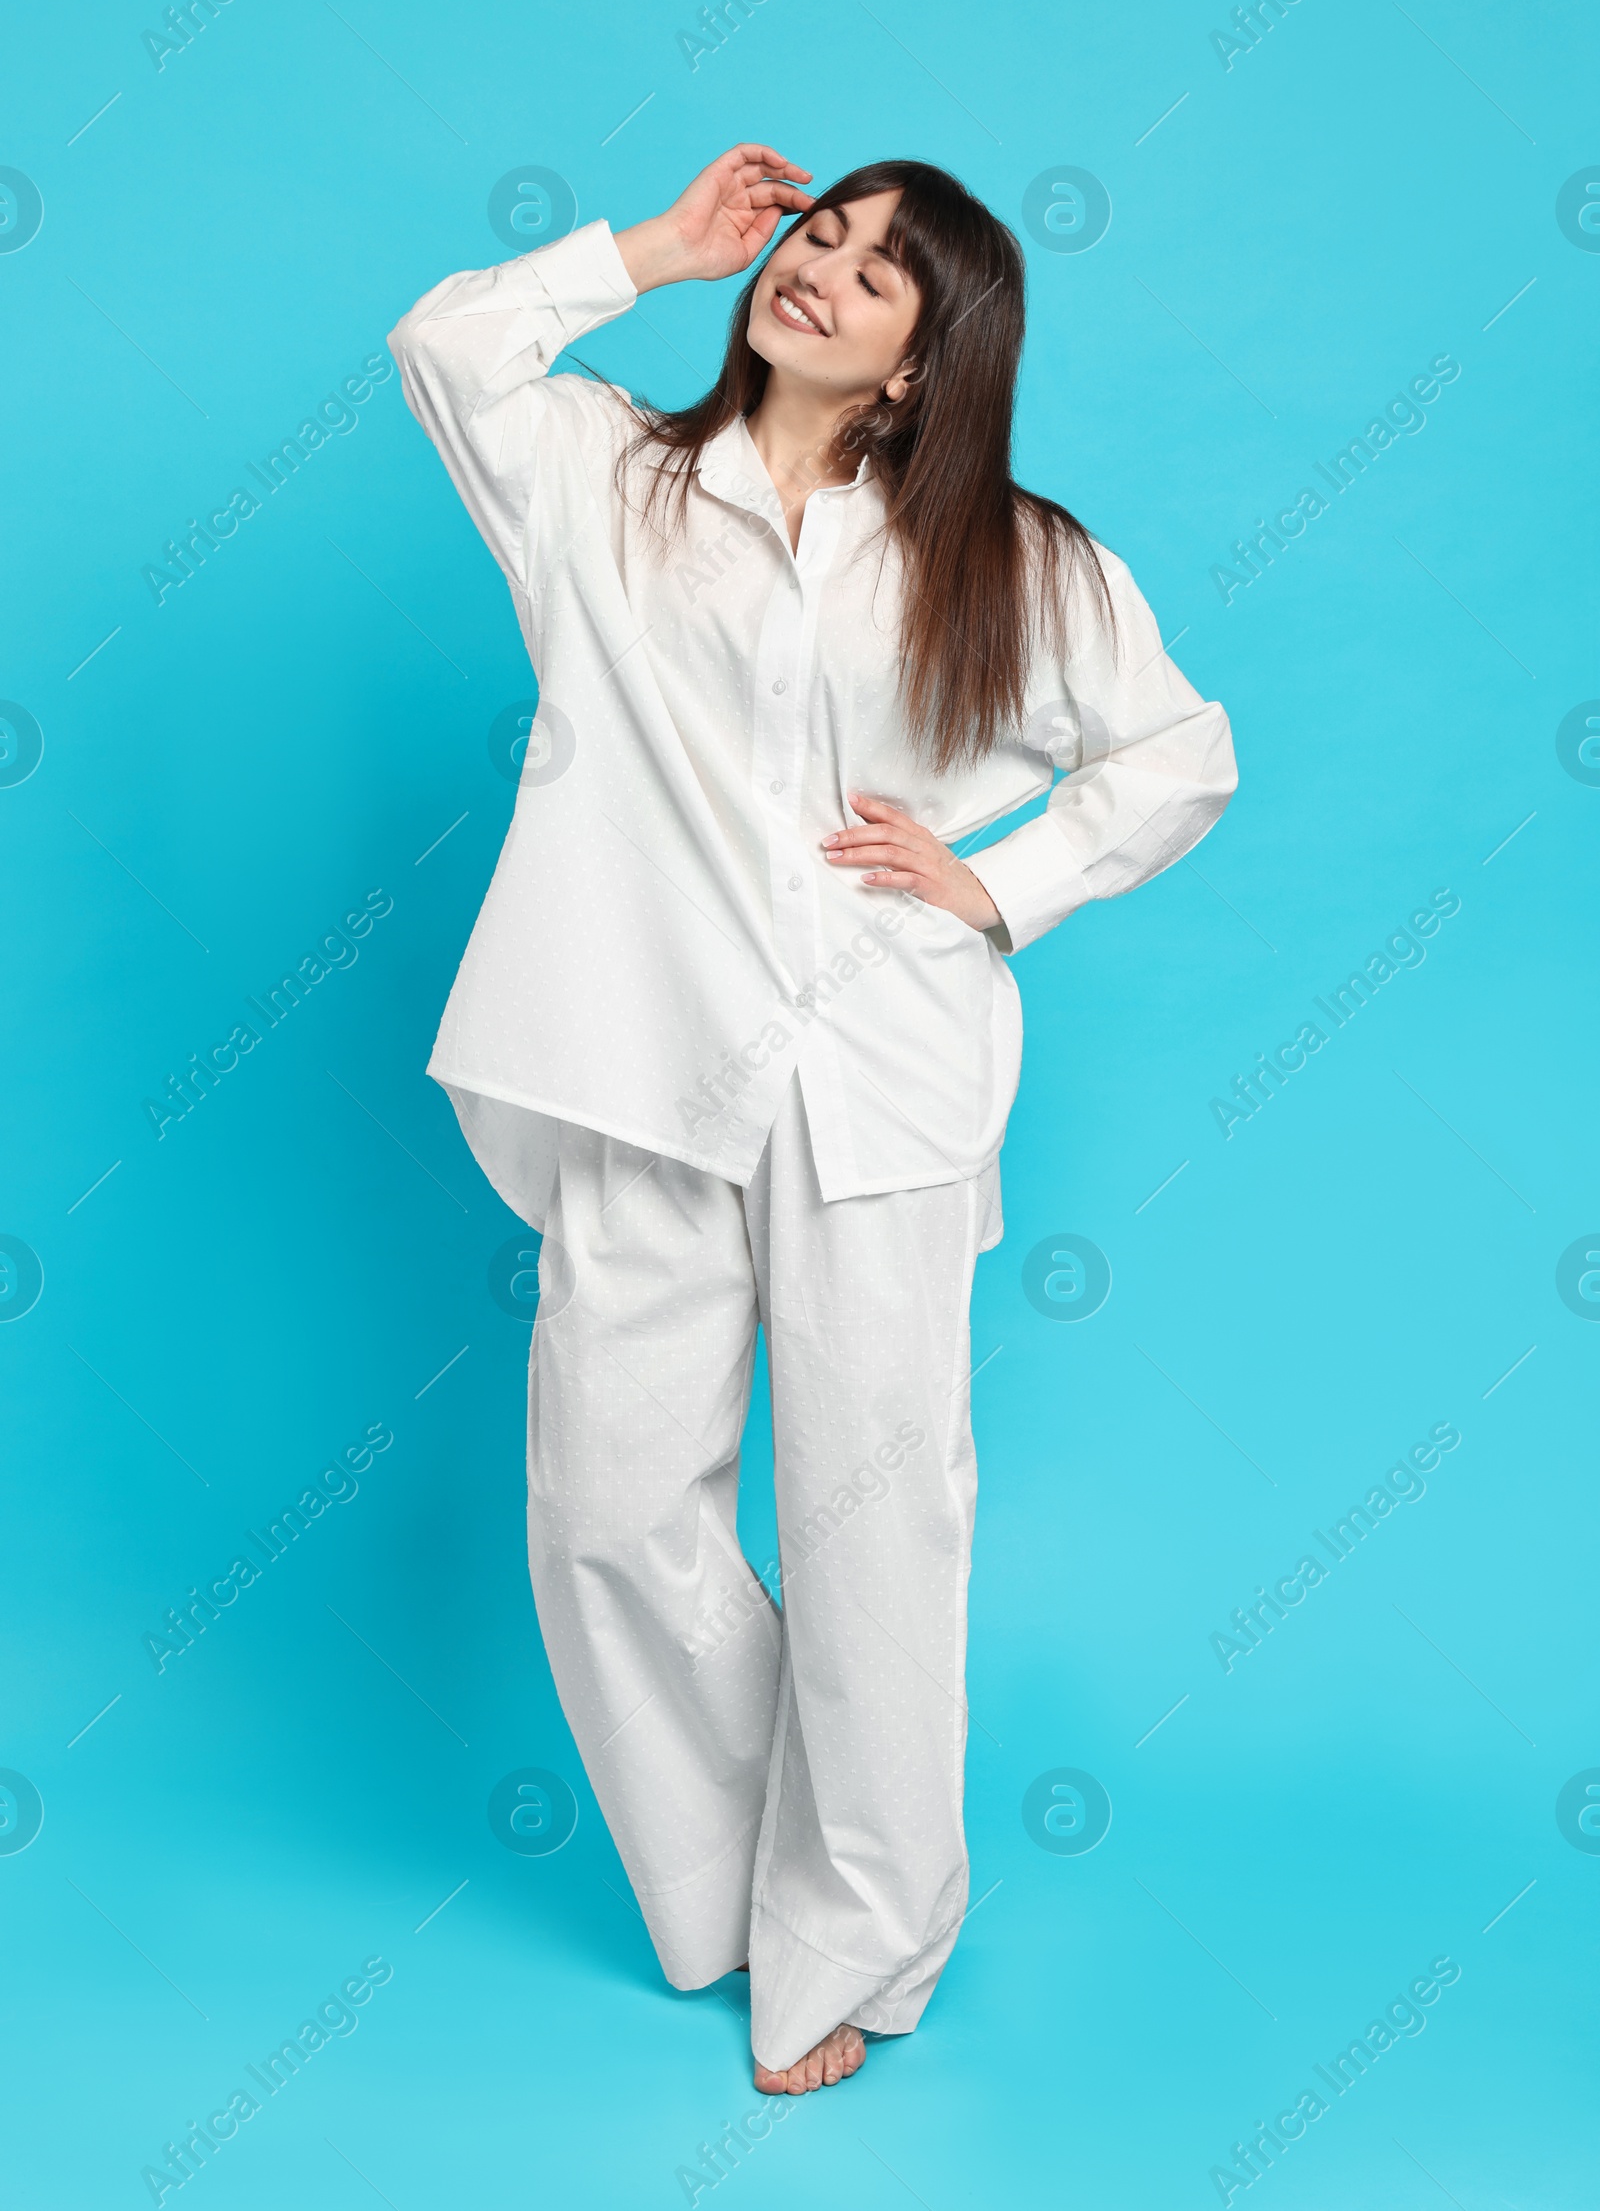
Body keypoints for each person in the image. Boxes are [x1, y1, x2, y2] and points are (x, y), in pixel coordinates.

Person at [387, 144, 1236, 2095]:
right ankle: (745, 1887)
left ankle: (854, 1941)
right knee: (605, 1513)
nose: (815, 276)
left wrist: (998, 882)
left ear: (929, 365)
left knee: (876, 1536)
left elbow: (1178, 758)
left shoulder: (1009, 558)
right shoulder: (606, 482)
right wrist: (648, 249)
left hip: (882, 1084)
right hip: (636, 1066)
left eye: (869, 275)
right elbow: (442, 347)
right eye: (809, 238)